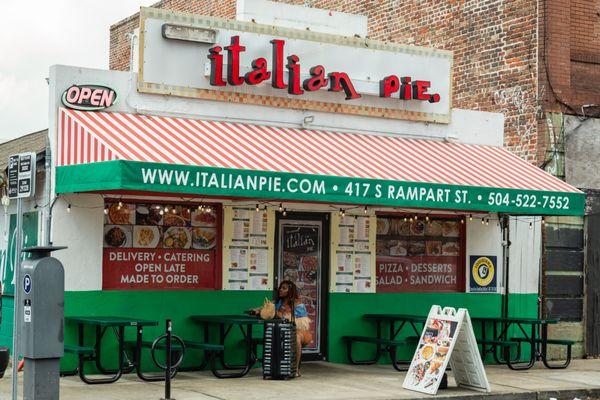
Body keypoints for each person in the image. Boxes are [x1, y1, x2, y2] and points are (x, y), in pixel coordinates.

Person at [274, 280, 312, 377]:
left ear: (290, 291)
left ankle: (296, 369)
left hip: (301, 332)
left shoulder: (298, 304)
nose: (280, 290)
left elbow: (303, 324)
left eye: (284, 288)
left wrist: (282, 316)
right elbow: (271, 312)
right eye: (280, 288)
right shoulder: (279, 303)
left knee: (295, 337)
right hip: (285, 331)